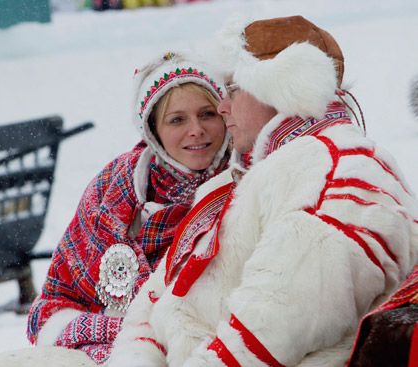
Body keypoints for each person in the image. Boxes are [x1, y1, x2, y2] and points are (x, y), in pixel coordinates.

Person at [108, 15, 418, 366]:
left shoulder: (336, 170)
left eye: (234, 90)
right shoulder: (237, 178)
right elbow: (152, 306)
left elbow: (264, 335)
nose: (223, 108)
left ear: (281, 88)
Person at [22, 51, 230, 366]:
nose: (196, 130)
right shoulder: (113, 189)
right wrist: (124, 336)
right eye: (177, 119)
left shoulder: (243, 184)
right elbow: (56, 300)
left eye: (207, 114)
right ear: (152, 131)